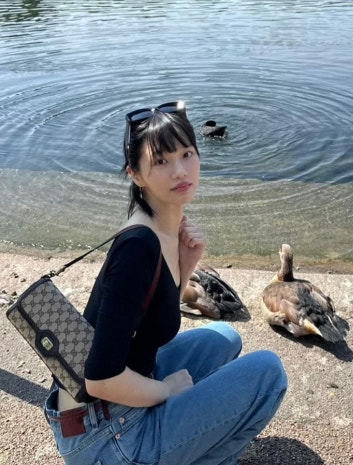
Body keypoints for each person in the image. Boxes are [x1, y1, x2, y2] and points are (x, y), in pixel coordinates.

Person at [44, 100, 288, 465]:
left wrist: (186, 266)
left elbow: (152, 321)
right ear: (136, 175)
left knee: (224, 337)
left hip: (110, 404)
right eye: (160, 161)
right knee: (268, 373)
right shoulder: (138, 247)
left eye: (186, 154)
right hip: (104, 436)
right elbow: (100, 379)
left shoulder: (162, 225)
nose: (180, 171)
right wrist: (165, 390)